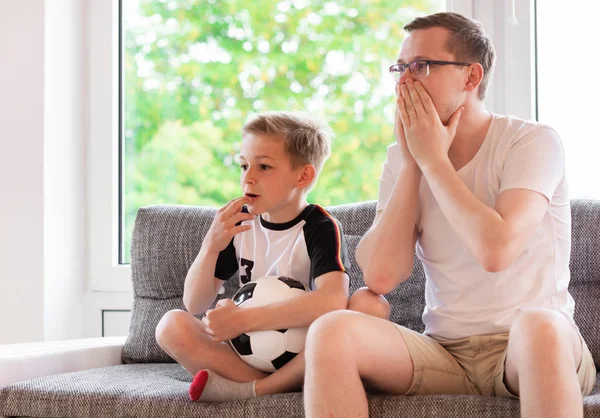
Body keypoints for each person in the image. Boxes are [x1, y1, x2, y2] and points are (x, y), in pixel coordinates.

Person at [303, 12, 596, 418]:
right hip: (446, 352)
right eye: (400, 67)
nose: (404, 80)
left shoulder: (531, 142)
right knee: (331, 331)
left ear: (471, 77)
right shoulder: (401, 160)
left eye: (421, 66)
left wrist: (434, 161)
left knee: (540, 327)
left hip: (530, 348)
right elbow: (380, 276)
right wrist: (412, 165)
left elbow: (496, 251)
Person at [155, 111, 352, 402]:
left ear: (303, 175)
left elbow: (333, 300)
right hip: (246, 352)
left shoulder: (319, 227)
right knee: (171, 326)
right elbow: (194, 302)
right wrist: (211, 244)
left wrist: (243, 320)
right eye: (244, 165)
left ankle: (258, 389)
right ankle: (270, 386)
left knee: (367, 306)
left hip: (305, 354)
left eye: (264, 167)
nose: (248, 177)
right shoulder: (241, 224)